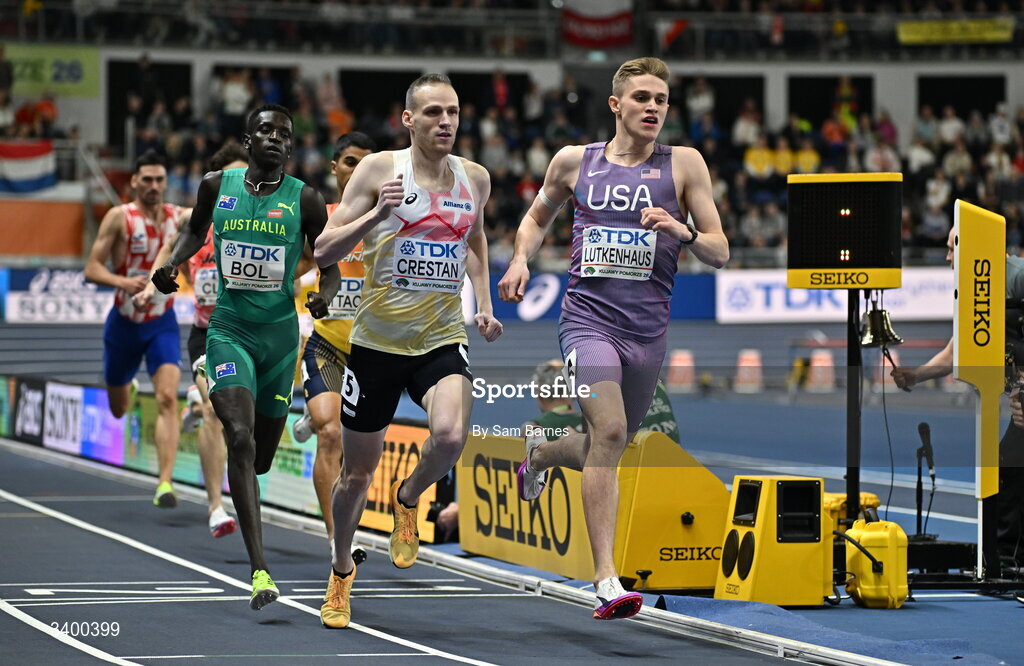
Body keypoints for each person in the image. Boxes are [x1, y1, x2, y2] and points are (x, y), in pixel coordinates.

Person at [497, 57, 729, 620]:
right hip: (586, 321)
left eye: (662, 100)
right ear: (615, 105)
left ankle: (542, 454)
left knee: (607, 443)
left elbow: (720, 252)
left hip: (648, 332)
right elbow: (535, 217)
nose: (654, 107)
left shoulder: (685, 165)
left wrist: (683, 231)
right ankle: (605, 579)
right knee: (613, 429)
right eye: (643, 97)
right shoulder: (576, 163)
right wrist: (521, 259)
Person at [313, 73, 502, 629]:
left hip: (440, 335)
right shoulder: (378, 171)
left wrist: (484, 301)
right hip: (375, 343)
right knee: (354, 476)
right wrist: (377, 215)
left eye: (453, 112)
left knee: (449, 437)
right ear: (408, 120)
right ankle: (341, 570)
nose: (446, 122)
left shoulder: (476, 178)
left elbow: (476, 239)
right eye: (433, 113)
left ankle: (409, 496)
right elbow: (324, 247)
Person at [151, 104, 340, 611]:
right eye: (266, 131)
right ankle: (260, 570)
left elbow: (330, 265)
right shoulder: (217, 187)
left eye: (285, 134)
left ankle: (274, 443)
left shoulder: (307, 199)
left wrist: (325, 294)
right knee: (236, 432)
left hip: (279, 339)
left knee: (258, 457)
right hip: (228, 328)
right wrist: (172, 264)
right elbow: (194, 230)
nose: (276, 139)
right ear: (248, 138)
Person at [135, 143, 250, 539]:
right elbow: (169, 245)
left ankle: (197, 401)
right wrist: (157, 279)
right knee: (220, 416)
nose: (243, 183)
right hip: (209, 335)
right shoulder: (196, 217)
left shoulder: (264, 221)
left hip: (251, 335)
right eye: (233, 177)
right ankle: (216, 506)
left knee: (243, 418)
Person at [892, 227, 1024, 574]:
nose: (948, 258)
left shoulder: (1018, 278)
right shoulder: (971, 291)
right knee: (1008, 462)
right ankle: (1006, 559)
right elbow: (956, 351)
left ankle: (1008, 557)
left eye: (952, 249)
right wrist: (915, 376)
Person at [85, 150, 184, 509]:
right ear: (134, 182)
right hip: (124, 326)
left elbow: (214, 211)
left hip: (162, 323)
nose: (154, 186)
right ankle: (125, 384)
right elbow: (91, 268)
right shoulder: (118, 218)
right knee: (117, 409)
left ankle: (165, 483)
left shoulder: (179, 217)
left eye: (160, 180)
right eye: (148, 180)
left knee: (168, 398)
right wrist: (122, 281)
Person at [291, 131, 377, 540]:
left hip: (375, 349)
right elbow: (294, 269)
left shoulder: (390, 216)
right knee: (329, 433)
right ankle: (335, 540)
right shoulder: (317, 216)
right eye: (349, 162)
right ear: (334, 167)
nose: (358, 170)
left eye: (366, 162)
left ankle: (318, 410)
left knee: (356, 447)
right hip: (326, 344)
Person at [526, 359, 680, 444]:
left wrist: (571, 444)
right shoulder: (656, 381)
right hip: (676, 468)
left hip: (636, 478)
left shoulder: (604, 392)